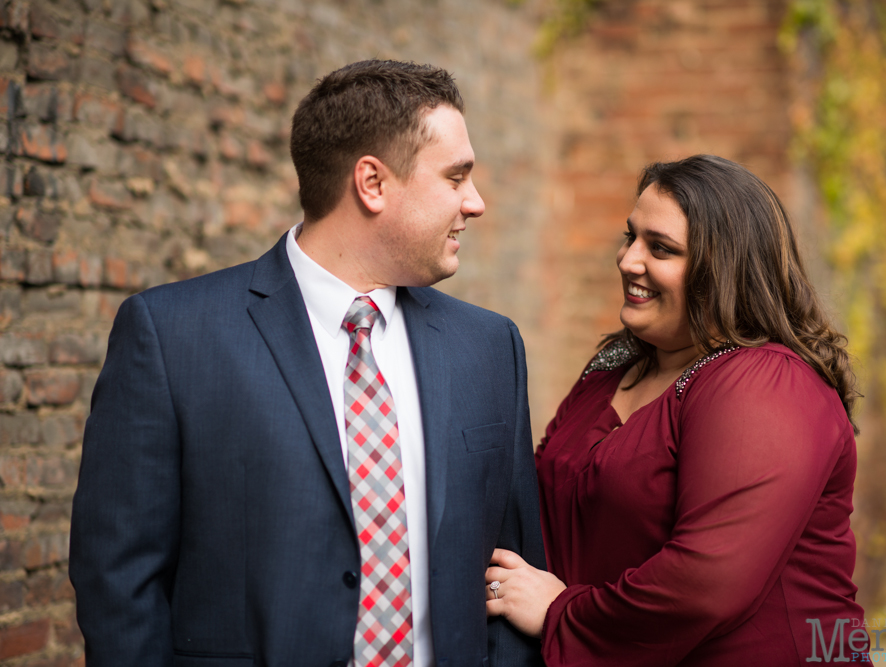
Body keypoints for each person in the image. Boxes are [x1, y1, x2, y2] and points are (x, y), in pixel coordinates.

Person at [70, 59, 545, 667]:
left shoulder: (489, 348)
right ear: (371, 183)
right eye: (456, 177)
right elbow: (118, 581)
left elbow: (513, 572)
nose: (475, 203)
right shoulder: (171, 337)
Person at [485, 155, 868, 666]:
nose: (627, 260)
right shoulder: (616, 362)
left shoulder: (768, 384)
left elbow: (708, 582)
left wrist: (561, 612)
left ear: (725, 269)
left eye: (660, 248)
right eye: (631, 237)